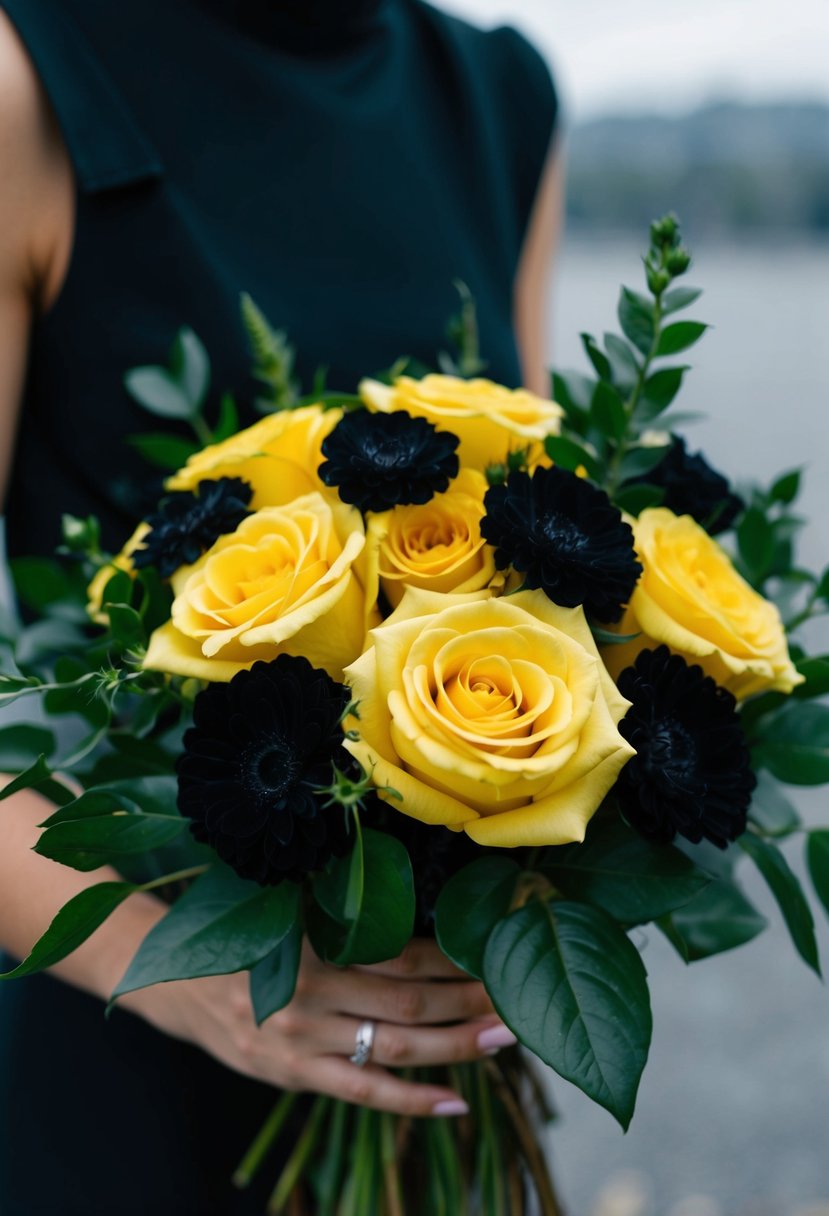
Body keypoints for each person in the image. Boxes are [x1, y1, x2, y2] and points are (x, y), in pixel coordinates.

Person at [0, 0, 563, 1211]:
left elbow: (536, 544)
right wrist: (188, 977)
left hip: (435, 1087)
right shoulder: (26, 82)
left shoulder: (502, 96)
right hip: (109, 1050)